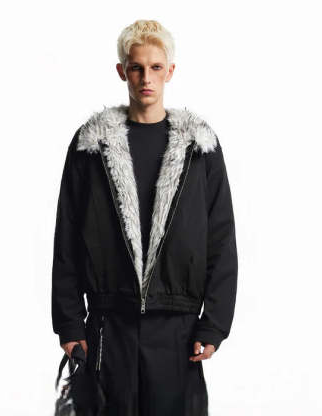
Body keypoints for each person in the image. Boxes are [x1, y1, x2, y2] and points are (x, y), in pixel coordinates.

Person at [51, 19, 238, 416]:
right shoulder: (91, 146)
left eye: (156, 67)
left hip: (178, 329)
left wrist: (214, 323)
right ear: (122, 71)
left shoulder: (199, 148)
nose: (146, 78)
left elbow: (221, 238)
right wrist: (69, 322)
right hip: (108, 326)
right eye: (136, 68)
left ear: (170, 71)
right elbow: (67, 236)